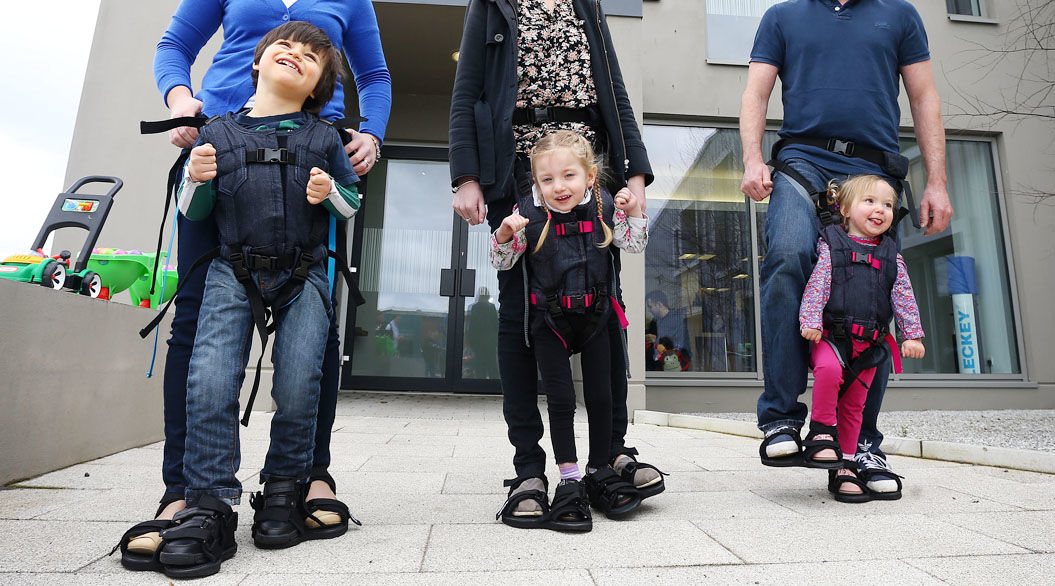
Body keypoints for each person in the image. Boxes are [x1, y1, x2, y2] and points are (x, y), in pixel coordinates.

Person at [115, 0, 391, 572]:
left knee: (311, 333)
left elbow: (375, 75)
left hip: (313, 158)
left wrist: (374, 134)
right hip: (220, 156)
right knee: (196, 327)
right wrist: (180, 99)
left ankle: (307, 476)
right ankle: (186, 491)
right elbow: (175, 48)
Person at [449, 0, 665, 527]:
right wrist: (466, 175)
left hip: (584, 167)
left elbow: (613, 89)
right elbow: (467, 93)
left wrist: (635, 171)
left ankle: (608, 456)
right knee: (521, 317)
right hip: (518, 170)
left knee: (602, 306)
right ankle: (530, 469)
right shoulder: (491, 5)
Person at [740, 0, 953, 498]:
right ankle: (781, 420)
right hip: (802, 160)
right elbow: (756, 92)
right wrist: (753, 158)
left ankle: (857, 448)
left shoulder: (899, 14)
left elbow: (924, 98)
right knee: (789, 254)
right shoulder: (782, 16)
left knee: (870, 290)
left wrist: (936, 181)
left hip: (874, 168)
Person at [490, 130, 648, 530]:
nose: (558, 187)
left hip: (596, 317)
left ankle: (599, 470)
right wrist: (505, 234)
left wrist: (632, 214)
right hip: (550, 322)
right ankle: (569, 480)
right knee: (560, 400)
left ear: (590, 176)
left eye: (568, 176)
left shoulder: (605, 206)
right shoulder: (527, 213)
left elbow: (632, 245)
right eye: (547, 180)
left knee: (601, 396)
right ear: (535, 183)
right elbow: (502, 262)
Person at [798, 176, 925, 502]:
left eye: (887, 205)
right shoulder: (831, 246)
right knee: (828, 371)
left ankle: (847, 465)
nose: (880, 210)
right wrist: (810, 320)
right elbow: (818, 286)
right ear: (844, 208)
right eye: (870, 201)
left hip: (870, 345)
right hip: (832, 338)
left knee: (856, 405)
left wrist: (912, 335)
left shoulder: (891, 256)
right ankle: (822, 431)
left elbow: (904, 297)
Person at [644, 290, 692, 371]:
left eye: (650, 306)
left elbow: (677, 345)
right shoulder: (654, 322)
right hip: (658, 366)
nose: (649, 310)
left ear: (659, 304)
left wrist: (655, 340)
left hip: (672, 366)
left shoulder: (676, 320)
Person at [465, 287, 499, 378]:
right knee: (492, 365)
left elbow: (472, 326)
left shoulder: (475, 307)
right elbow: (496, 325)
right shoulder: (491, 307)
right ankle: (493, 385)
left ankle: (481, 384)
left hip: (478, 342)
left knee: (480, 366)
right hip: (490, 342)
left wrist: (471, 342)